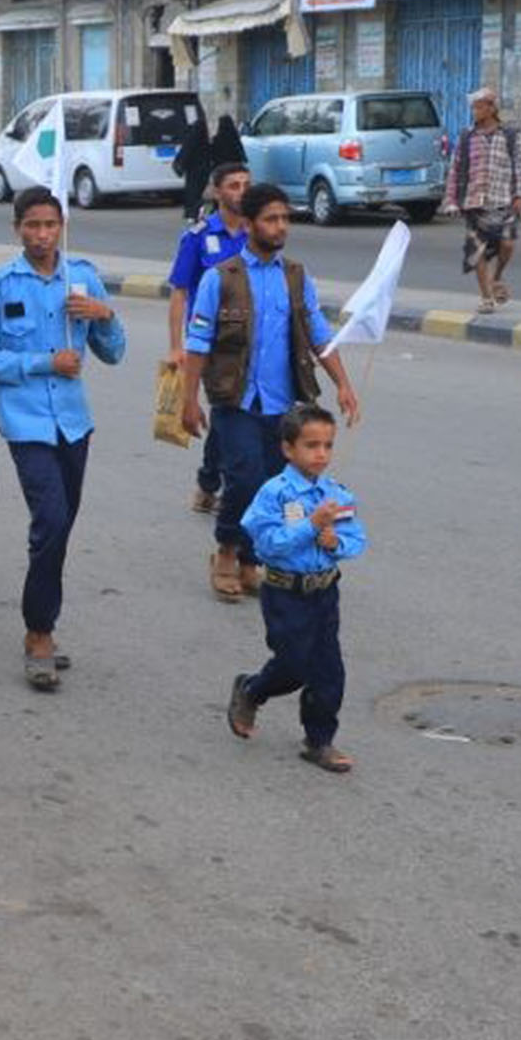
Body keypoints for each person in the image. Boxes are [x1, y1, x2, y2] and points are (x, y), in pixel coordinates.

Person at [0, 186, 126, 690]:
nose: (41, 235)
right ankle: (39, 632)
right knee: (50, 519)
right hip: (26, 422)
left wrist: (104, 315)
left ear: (62, 227)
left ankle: (42, 623)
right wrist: (43, 362)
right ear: (17, 228)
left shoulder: (82, 278)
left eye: (50, 225)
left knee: (60, 527)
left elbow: (114, 352)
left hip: (73, 423)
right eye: (32, 225)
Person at [180, 183, 360, 602]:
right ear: (248, 224)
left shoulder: (296, 277)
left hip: (284, 403)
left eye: (284, 218)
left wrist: (343, 383)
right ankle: (226, 551)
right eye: (271, 219)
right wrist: (188, 402)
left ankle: (251, 560)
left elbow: (318, 333)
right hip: (235, 400)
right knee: (243, 480)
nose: (281, 227)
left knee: (274, 486)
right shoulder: (219, 279)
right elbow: (198, 344)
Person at [225, 403, 366, 772]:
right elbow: (268, 545)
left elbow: (356, 539)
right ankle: (252, 690)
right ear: (288, 449)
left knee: (329, 670)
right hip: (286, 593)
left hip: (325, 591)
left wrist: (337, 543)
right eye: (311, 445)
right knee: (293, 664)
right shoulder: (275, 493)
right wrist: (310, 526)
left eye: (327, 445)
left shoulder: (336, 494)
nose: (321, 454)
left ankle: (319, 740)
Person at [169, 161, 251, 516]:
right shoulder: (198, 236)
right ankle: (224, 486)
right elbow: (179, 292)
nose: (242, 192)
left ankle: (208, 482)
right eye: (234, 185)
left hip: (250, 338)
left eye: (246, 184)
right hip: (211, 342)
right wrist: (177, 346)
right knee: (228, 407)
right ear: (217, 192)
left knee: (233, 411)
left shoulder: (255, 232)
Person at [442, 88, 521, 314]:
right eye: (473, 108)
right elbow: (455, 170)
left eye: (479, 107)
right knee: (477, 251)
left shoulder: (509, 135)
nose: (475, 112)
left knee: (507, 244)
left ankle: (496, 276)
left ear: (491, 108)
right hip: (474, 202)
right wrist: (451, 200)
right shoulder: (467, 137)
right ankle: (486, 297)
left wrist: (519, 195)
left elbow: (518, 166)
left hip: (503, 200)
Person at [172, 114, 211, 221]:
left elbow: (186, 152)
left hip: (193, 170)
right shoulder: (206, 141)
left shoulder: (192, 139)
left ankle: (192, 212)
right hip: (204, 169)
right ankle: (197, 211)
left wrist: (180, 165)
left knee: (193, 191)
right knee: (198, 191)